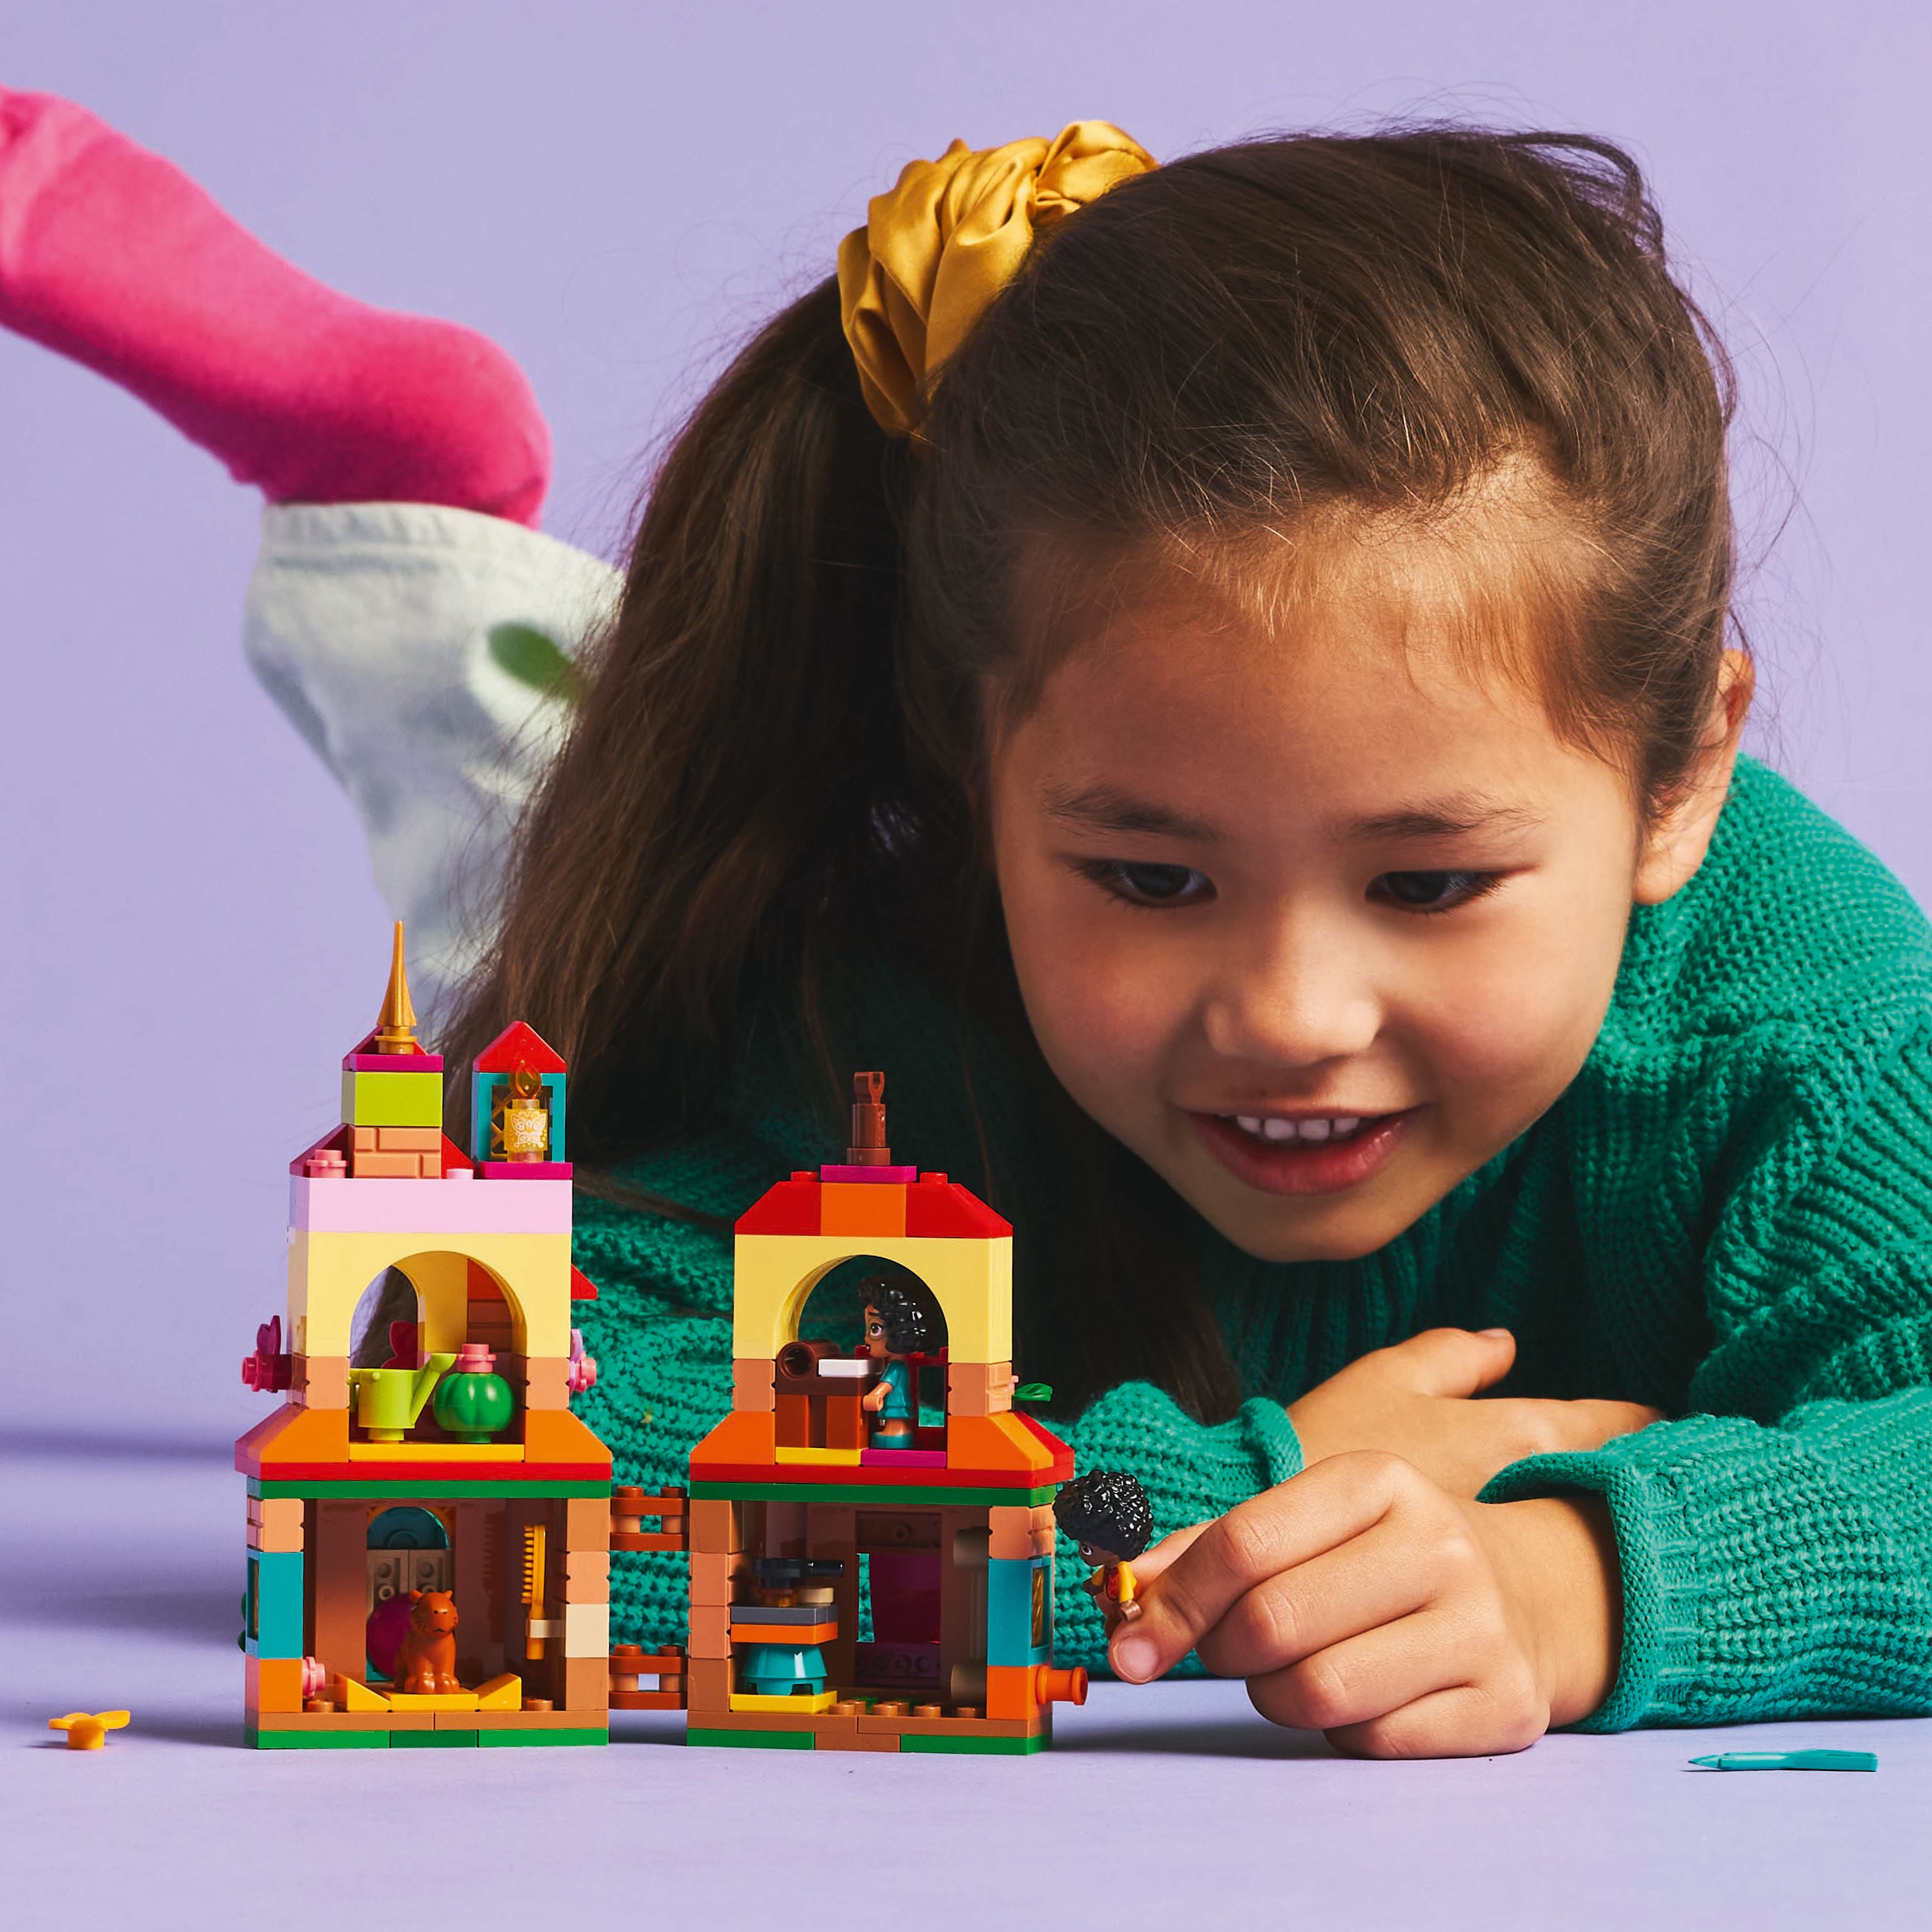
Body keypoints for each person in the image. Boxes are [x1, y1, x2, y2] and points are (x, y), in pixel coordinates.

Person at [10, 93, 1932, 1759]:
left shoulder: (1797, 1020)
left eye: (1426, 885)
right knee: (501, 813)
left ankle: (421, 514)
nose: (1288, 1010)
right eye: (1149, 878)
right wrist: (1236, 1508)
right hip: (699, 870)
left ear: (1680, 779)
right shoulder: (848, 991)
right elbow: (450, 1458)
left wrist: (1571, 1574)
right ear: (968, 779)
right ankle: (418, 503)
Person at [1054, 1470, 1154, 1630]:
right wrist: (1094, 1584)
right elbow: (1103, 1575)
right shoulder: (1109, 1567)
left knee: (1118, 1628)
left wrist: (1127, 1603)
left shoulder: (1122, 1570)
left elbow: (1127, 1587)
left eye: (1087, 1549)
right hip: (1114, 1604)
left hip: (1123, 1605)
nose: (1080, 1554)